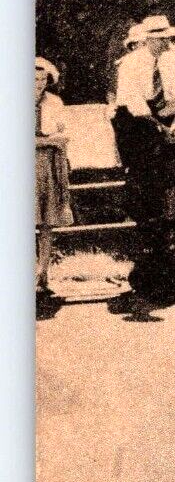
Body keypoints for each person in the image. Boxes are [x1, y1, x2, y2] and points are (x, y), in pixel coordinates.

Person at [110, 16, 175, 311]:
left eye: (165, 37)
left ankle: (167, 267)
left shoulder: (171, 62)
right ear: (146, 39)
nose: (163, 42)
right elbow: (135, 105)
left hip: (163, 123)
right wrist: (160, 127)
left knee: (165, 195)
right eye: (157, 38)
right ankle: (145, 268)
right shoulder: (131, 64)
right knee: (143, 193)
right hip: (136, 125)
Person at [35, 58, 72, 305]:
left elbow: (64, 136)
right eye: (33, 79)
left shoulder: (55, 103)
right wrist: (49, 139)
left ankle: (43, 274)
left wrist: (46, 140)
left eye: (42, 79)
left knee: (47, 222)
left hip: (49, 165)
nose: (37, 84)